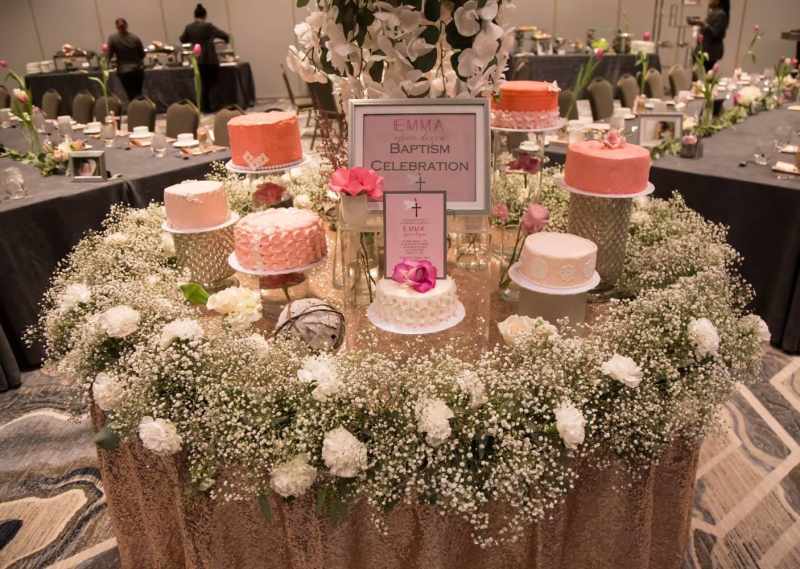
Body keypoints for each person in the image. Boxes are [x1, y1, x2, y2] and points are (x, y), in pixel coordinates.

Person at [180, 3, 230, 113]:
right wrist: (226, 41)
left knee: (203, 84)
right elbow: (224, 35)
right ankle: (215, 105)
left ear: (194, 15)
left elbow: (182, 39)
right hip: (210, 59)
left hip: (198, 59)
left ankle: (204, 107)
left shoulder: (189, 27)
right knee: (214, 83)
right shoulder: (208, 26)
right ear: (205, 15)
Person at [107, 18, 145, 102]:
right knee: (139, 94)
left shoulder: (112, 38)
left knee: (130, 94)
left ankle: (134, 108)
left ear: (116, 27)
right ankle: (142, 108)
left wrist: (106, 65)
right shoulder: (135, 38)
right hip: (137, 70)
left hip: (123, 71)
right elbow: (142, 54)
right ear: (127, 25)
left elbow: (109, 55)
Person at [689, 0, 730, 71]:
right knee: (698, 75)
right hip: (703, 51)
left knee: (703, 76)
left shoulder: (721, 14)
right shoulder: (713, 12)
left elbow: (715, 32)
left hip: (709, 53)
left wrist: (701, 23)